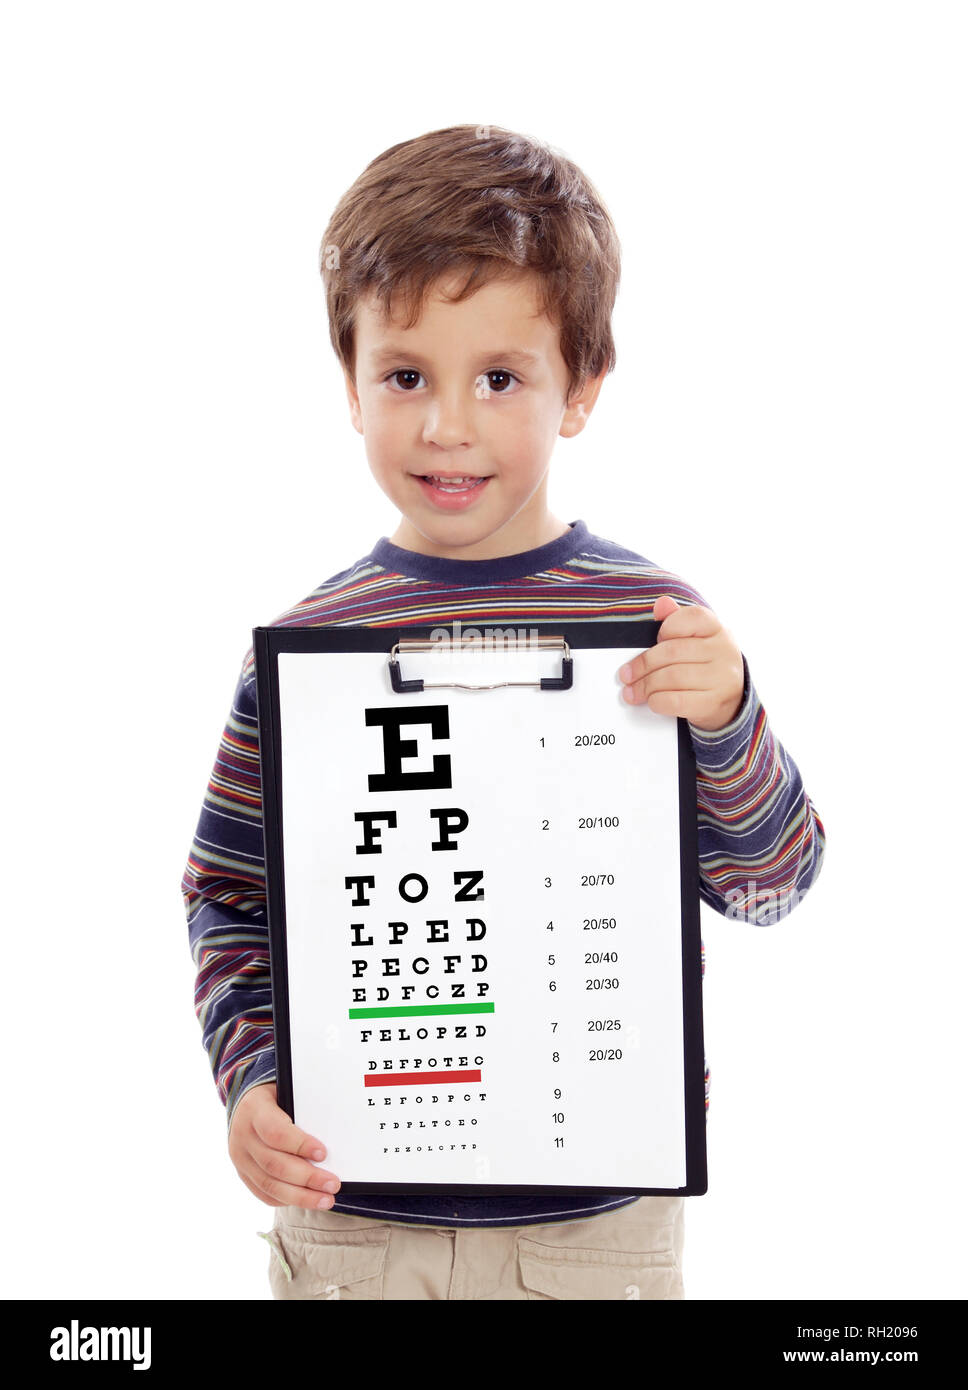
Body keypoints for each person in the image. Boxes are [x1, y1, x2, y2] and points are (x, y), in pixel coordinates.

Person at [180, 124, 826, 1301]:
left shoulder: (657, 624)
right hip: (352, 1219)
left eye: (499, 377)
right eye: (406, 374)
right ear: (350, 380)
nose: (445, 425)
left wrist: (727, 717)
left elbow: (772, 882)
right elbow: (228, 893)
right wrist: (251, 1079)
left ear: (578, 387)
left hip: (594, 1229)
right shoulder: (310, 648)